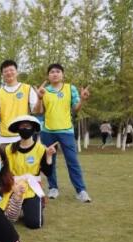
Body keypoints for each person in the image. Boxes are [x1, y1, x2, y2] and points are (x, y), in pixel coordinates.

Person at [36, 63, 92, 202]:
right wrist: (39, 97)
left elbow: (76, 108)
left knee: (72, 161)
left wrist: (82, 99)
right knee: (50, 161)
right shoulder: (44, 90)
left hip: (66, 131)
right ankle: (53, 188)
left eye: (58, 71)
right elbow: (38, 111)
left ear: (62, 74)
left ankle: (81, 190)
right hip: (47, 131)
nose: (55, 74)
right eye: (52, 72)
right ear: (48, 76)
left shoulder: (70, 88)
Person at [5, 116, 58, 229]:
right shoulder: (9, 149)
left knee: (34, 223)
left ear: (33, 129)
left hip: (32, 189)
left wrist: (49, 156)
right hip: (13, 187)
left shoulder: (41, 149)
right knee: (4, 219)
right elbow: (5, 172)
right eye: (22, 126)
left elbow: (48, 173)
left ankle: (35, 205)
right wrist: (14, 185)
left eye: (28, 126)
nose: (25, 129)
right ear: (17, 129)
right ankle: (18, 207)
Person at [0, 59, 42, 145]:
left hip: (23, 136)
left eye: (11, 70)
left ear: (17, 72)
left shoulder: (27, 89)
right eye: (5, 71)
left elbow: (37, 111)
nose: (9, 73)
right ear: (2, 74)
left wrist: (40, 99)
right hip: (4, 138)